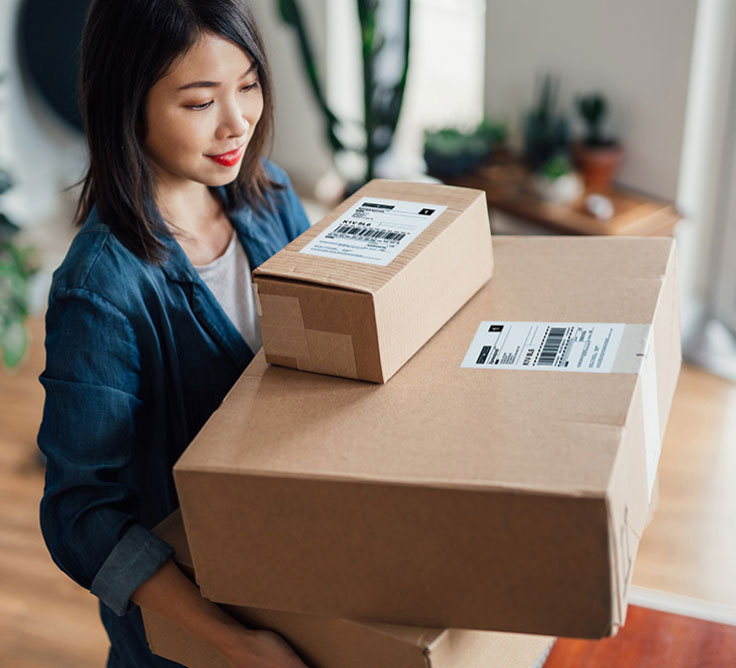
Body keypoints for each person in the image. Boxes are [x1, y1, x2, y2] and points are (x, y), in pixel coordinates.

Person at [37, 1, 311, 666]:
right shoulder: (101, 289)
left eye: (247, 85)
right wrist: (237, 645)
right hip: (198, 634)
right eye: (198, 102)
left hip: (299, 570)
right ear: (128, 103)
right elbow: (82, 517)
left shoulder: (270, 195)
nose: (237, 121)